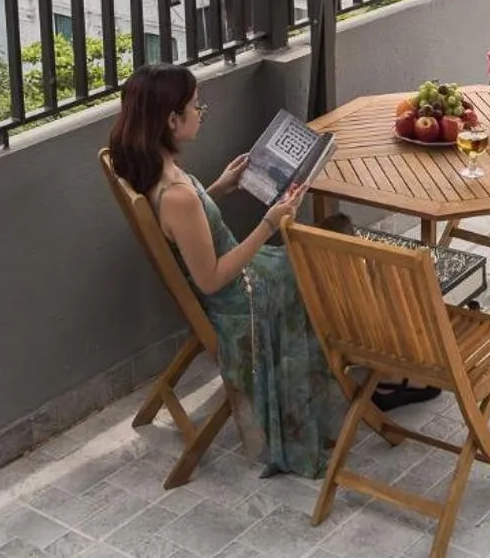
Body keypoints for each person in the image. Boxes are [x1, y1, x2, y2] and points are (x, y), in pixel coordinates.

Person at [106, 63, 348, 479]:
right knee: (324, 264)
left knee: (320, 253)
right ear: (171, 120)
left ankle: (339, 364)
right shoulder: (177, 194)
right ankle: (356, 367)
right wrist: (270, 224)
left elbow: (186, 229)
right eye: (197, 107)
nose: (201, 113)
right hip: (240, 299)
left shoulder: (152, 170)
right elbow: (213, 278)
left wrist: (219, 187)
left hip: (238, 278)